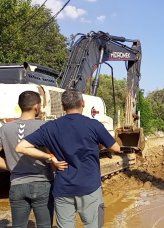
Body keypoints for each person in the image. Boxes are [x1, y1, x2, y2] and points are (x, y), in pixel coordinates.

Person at [16, 89, 122, 228]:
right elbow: (116, 148)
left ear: (63, 106)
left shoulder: (49, 127)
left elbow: (21, 147)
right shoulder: (94, 125)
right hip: (90, 188)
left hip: (63, 190)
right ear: (82, 103)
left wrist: (50, 157)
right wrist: (99, 147)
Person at [0, 91, 66, 228]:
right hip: (43, 183)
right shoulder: (44, 126)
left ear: (20, 106)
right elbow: (56, 153)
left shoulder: (4, 128)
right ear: (37, 106)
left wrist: (10, 167)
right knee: (44, 225)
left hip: (17, 184)